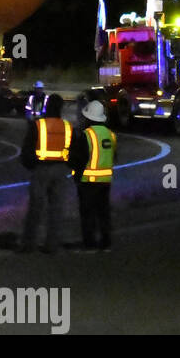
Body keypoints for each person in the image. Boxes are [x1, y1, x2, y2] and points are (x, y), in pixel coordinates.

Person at [18, 94, 74, 254]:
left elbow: (27, 149)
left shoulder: (38, 125)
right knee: (56, 209)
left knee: (36, 208)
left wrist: (31, 165)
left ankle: (29, 244)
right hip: (60, 170)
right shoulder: (67, 127)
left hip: (41, 169)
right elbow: (73, 150)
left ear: (47, 106)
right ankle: (52, 245)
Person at [69, 100, 116, 252]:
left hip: (88, 180)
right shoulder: (110, 135)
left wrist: (76, 176)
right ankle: (106, 242)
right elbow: (113, 156)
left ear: (89, 118)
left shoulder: (87, 135)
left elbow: (79, 159)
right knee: (103, 212)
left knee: (88, 213)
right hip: (106, 180)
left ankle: (89, 244)